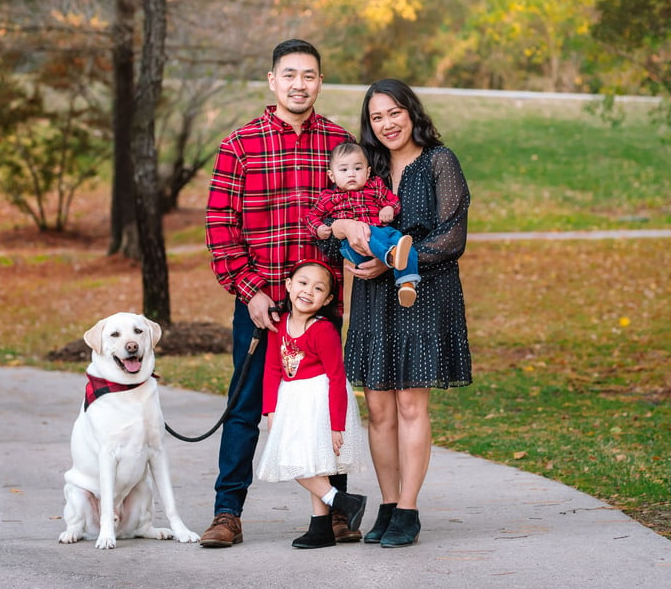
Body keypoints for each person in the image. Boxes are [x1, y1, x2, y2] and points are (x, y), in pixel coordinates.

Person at [202, 38, 357, 548]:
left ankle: (334, 511)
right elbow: (220, 227)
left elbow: (359, 214)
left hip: (320, 310)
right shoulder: (240, 145)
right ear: (273, 81)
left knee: (325, 402)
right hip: (262, 304)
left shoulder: (339, 145)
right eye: (289, 74)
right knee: (247, 406)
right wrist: (249, 291)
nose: (299, 84)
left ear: (319, 82)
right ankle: (228, 513)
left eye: (309, 75)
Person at [331, 78, 472, 548]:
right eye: (377, 117)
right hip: (372, 296)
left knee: (411, 403)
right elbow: (335, 214)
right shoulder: (364, 168)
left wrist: (394, 261)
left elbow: (452, 237)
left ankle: (409, 509)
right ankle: (388, 504)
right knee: (378, 408)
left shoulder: (439, 162)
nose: (387, 124)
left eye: (394, 113)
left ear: (411, 112)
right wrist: (351, 238)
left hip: (423, 291)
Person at [256, 259, 368, 549]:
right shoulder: (278, 325)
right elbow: (271, 368)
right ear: (289, 285)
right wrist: (270, 409)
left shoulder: (323, 331)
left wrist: (336, 425)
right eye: (303, 283)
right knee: (305, 462)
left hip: (318, 401)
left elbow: (335, 378)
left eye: (318, 289)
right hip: (291, 400)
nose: (308, 291)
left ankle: (336, 503)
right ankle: (323, 524)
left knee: (298, 460)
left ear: (327, 299)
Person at [305, 142, 421, 307]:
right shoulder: (329, 197)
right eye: (344, 170)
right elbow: (311, 217)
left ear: (367, 172)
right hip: (355, 245)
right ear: (332, 176)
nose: (351, 174)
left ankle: (407, 284)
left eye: (357, 169)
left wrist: (389, 208)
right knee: (367, 231)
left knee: (404, 242)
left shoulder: (376, 187)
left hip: (383, 232)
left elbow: (393, 201)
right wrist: (319, 228)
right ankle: (392, 256)